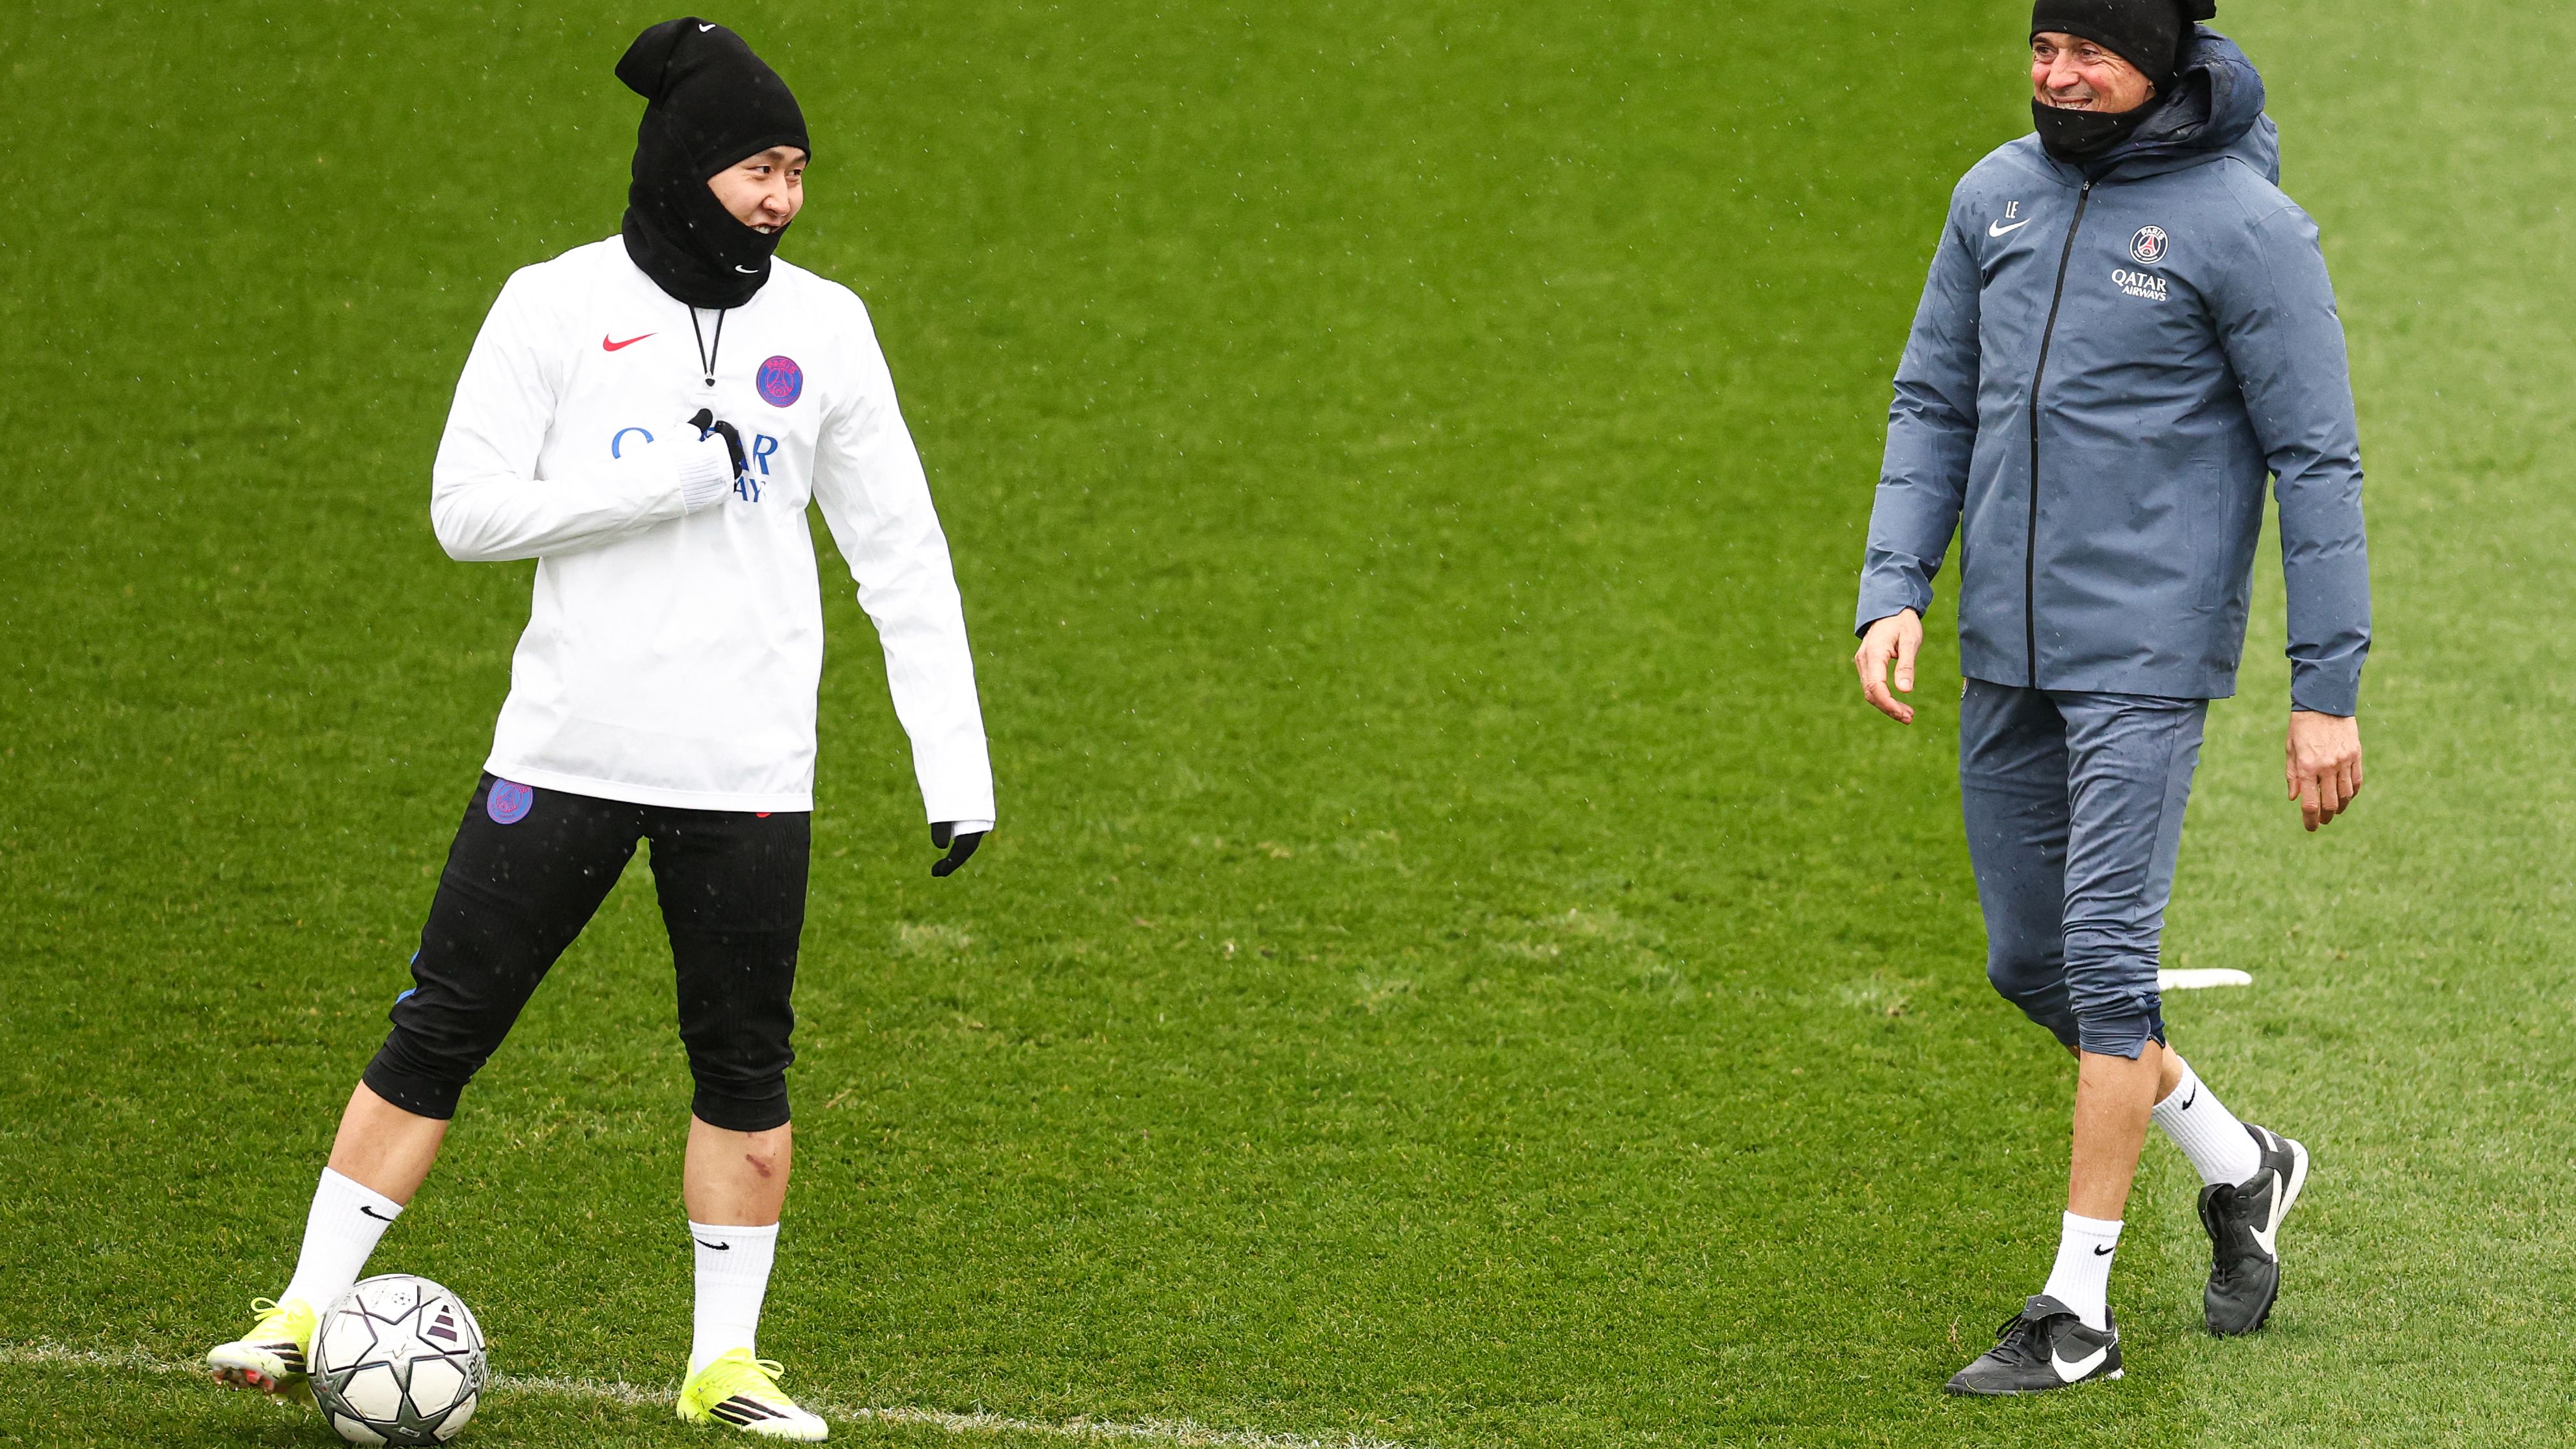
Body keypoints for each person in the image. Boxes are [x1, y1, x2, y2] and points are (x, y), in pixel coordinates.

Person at [205, 18, 995, 1438]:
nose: (782, 199)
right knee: (437, 1029)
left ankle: (723, 1366)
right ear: (687, 166)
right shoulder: (551, 307)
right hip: (561, 754)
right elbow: (466, 513)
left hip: (749, 773)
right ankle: (301, 1310)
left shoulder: (825, 329)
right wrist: (651, 492)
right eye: (760, 167)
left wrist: (957, 767)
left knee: (744, 1067)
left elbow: (904, 555)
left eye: (798, 172)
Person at [1850, 0, 2370, 1396]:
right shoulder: (1992, 198)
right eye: (2040, 47)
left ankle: (2073, 1309)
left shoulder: (2242, 228)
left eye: (2087, 49)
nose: (2055, 73)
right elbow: (1930, 399)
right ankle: (2237, 1160)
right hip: (2002, 648)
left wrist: (2323, 691)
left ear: (2160, 62)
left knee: (2098, 964)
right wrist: (1894, 583)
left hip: (2145, 655)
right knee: (2027, 964)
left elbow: (2315, 462)